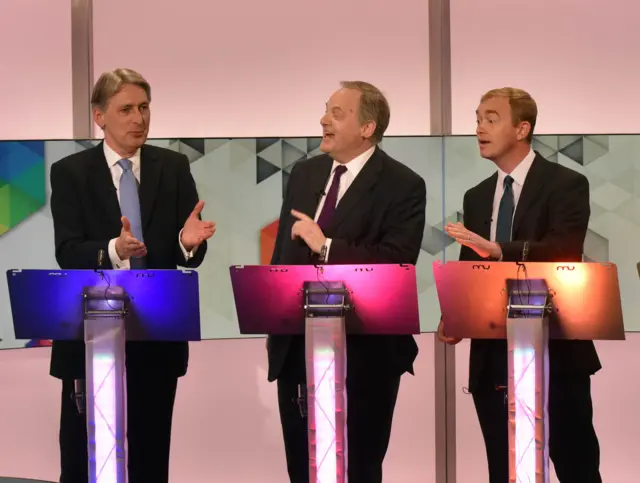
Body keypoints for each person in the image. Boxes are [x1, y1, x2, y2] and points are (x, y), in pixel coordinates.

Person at [49, 68, 215, 483]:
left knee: (150, 453)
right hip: (89, 337)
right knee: (82, 453)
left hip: (156, 334)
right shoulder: (71, 173)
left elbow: (190, 251)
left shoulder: (173, 166)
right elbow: (67, 252)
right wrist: (113, 251)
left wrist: (188, 242)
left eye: (144, 108)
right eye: (126, 109)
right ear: (99, 116)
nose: (139, 118)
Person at [439, 87, 601, 482]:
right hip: (493, 357)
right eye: (477, 118)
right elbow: (470, 269)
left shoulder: (566, 183)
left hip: (555, 352)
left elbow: (563, 250)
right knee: (505, 468)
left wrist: (498, 250)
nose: (479, 127)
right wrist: (456, 316)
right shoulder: (477, 197)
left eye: (491, 119)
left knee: (576, 466)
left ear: (522, 128)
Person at [267, 80, 426, 483]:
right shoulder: (304, 174)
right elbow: (284, 256)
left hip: (366, 356)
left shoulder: (403, 185)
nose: (324, 120)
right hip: (297, 349)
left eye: (337, 113)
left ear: (367, 128)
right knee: (301, 470)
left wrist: (328, 247)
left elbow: (396, 264)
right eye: (326, 110)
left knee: (358, 468)